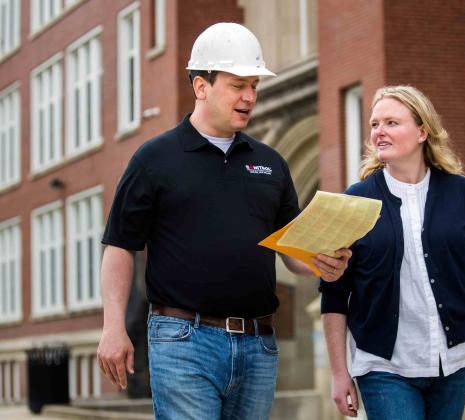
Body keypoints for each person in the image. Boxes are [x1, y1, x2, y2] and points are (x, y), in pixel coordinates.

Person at [97, 22, 350, 420]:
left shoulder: (271, 163)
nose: (250, 96)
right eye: (238, 85)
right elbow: (119, 245)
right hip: (183, 341)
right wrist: (113, 327)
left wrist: (323, 262)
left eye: (254, 85)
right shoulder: (154, 160)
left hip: (258, 345)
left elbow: (291, 248)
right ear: (201, 86)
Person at [320, 85, 465, 419]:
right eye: (374, 124)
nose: (379, 132)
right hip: (384, 366)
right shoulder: (356, 201)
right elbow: (333, 291)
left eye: (391, 122)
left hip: (453, 362)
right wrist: (339, 372)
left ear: (422, 131)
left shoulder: (462, 193)